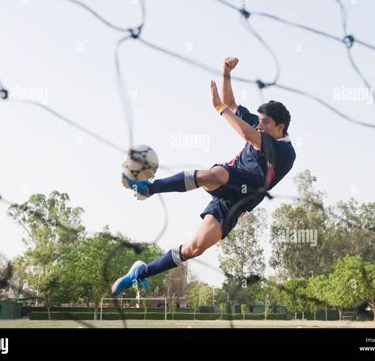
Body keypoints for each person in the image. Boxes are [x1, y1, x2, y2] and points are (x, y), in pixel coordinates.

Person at [112, 57, 296, 296]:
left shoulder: (284, 152)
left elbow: (245, 132)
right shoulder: (261, 127)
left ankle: (140, 272)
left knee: (193, 248)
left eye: (265, 123)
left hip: (241, 199)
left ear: (280, 127)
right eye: (259, 122)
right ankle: (149, 188)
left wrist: (220, 109)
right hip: (230, 176)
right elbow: (231, 105)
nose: (259, 126)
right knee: (217, 173)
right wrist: (226, 73)